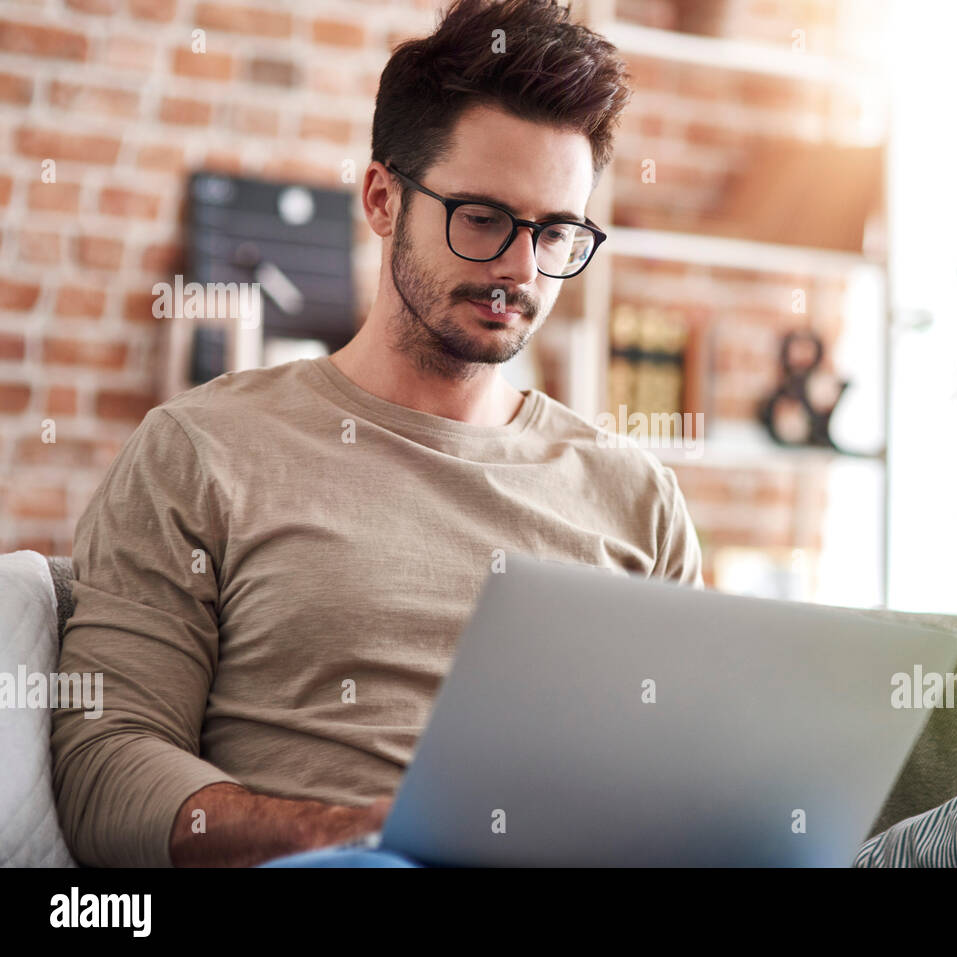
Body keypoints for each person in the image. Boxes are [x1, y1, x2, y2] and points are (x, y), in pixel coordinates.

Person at [51, 0, 702, 868]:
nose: (520, 267)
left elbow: (692, 779)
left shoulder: (638, 498)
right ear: (382, 198)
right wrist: (347, 829)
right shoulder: (201, 449)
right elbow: (106, 764)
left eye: (555, 232)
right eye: (482, 218)